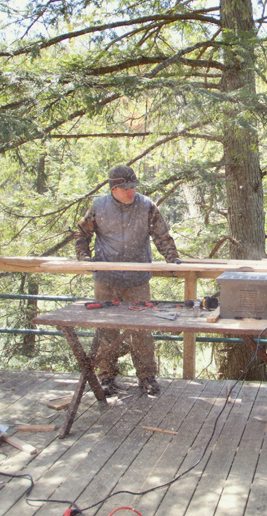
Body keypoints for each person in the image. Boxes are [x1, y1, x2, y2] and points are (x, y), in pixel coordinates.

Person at [74, 165, 182, 397]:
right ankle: (107, 378)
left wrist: (172, 259)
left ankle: (146, 377)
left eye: (134, 187)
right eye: (126, 188)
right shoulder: (98, 207)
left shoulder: (146, 206)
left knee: (142, 330)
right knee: (106, 330)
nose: (131, 192)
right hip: (106, 278)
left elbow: (161, 236)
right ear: (114, 188)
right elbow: (82, 234)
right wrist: (84, 258)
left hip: (137, 280)